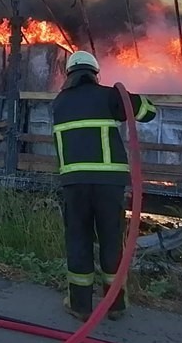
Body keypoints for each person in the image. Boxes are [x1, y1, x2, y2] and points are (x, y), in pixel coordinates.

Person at [51, 50, 157, 321]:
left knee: (78, 240)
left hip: (74, 183)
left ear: (69, 75)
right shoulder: (110, 96)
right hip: (109, 184)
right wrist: (128, 97)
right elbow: (148, 112)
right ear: (95, 74)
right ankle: (115, 305)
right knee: (111, 241)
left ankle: (80, 305)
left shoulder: (59, 103)